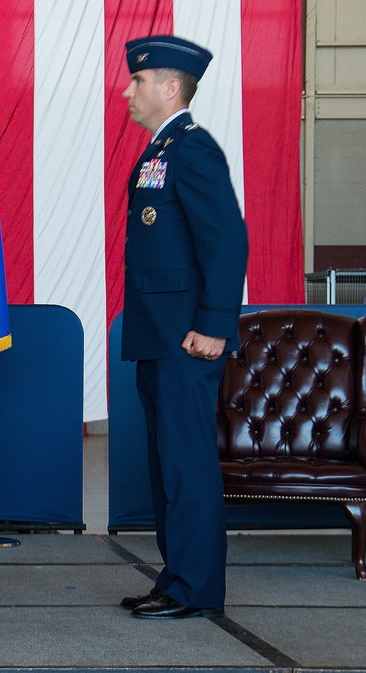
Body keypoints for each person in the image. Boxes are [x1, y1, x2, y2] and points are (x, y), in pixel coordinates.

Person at [118, 35, 249, 619]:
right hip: (159, 336)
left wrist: (215, 324)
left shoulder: (192, 150)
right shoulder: (160, 149)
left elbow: (226, 240)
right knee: (167, 464)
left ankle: (195, 587)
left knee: (186, 463)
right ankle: (176, 579)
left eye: (138, 81)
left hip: (188, 339)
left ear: (170, 86)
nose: (128, 90)